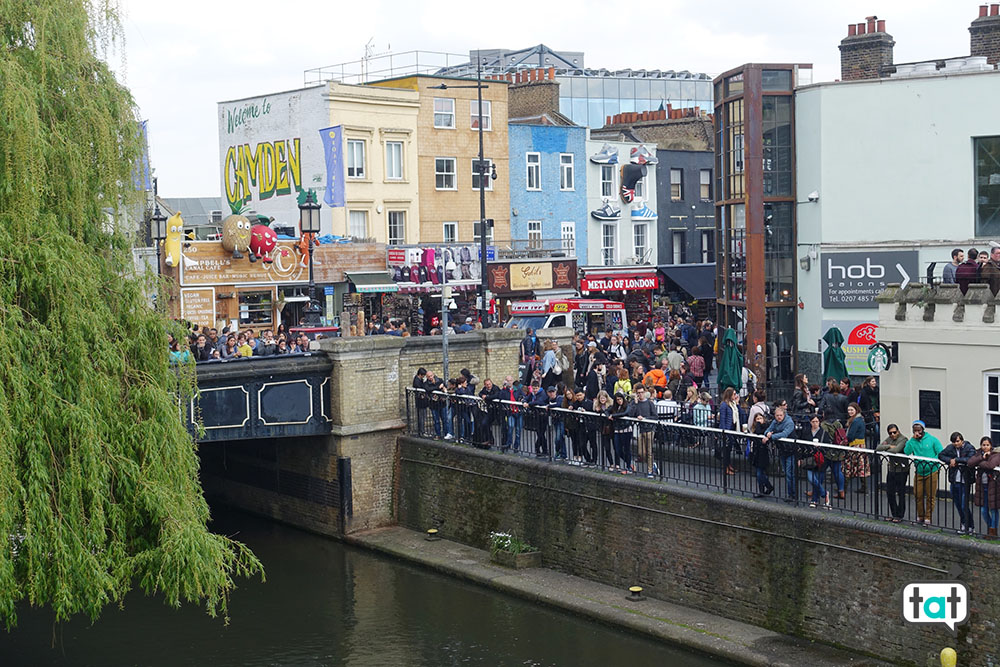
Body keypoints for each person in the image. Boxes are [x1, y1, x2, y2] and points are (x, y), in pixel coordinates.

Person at [904, 420, 944, 526]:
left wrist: (932, 463)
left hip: (932, 471)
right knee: (918, 494)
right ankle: (920, 516)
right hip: (919, 471)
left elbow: (940, 453)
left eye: (919, 430)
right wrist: (912, 440)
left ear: (923, 430)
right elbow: (906, 451)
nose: (917, 432)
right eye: (915, 430)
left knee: (930, 496)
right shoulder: (913, 441)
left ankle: (928, 517)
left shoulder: (932, 440)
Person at [939, 431, 976, 534]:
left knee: (964, 505)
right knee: (958, 504)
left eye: (957, 441)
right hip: (955, 480)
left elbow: (970, 459)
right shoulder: (950, 448)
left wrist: (957, 460)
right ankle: (964, 524)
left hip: (965, 481)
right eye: (954, 442)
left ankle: (970, 526)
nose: (956, 444)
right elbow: (941, 455)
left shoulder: (969, 447)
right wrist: (950, 460)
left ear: (962, 440)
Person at [762, 406, 797, 502]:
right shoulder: (775, 422)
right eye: (777, 415)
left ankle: (793, 494)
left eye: (780, 415)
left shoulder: (789, 422)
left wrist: (770, 436)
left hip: (791, 450)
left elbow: (784, 434)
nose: (779, 417)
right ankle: (791, 493)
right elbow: (767, 430)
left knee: (790, 473)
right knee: (786, 472)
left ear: (784, 415)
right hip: (782, 450)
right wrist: (767, 434)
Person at [876, 424, 909, 523]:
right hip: (892, 469)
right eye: (890, 433)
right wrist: (889, 446)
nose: (893, 434)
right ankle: (894, 513)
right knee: (890, 492)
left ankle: (900, 515)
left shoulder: (903, 439)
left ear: (898, 431)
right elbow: (878, 447)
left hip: (902, 470)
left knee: (901, 492)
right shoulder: (889, 440)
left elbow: (896, 450)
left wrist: (887, 449)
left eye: (894, 432)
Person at [969, 437, 1000, 538]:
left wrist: (980, 463)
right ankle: (992, 529)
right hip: (982, 486)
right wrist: (982, 458)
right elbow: (970, 462)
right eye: (983, 445)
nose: (985, 447)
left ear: (991, 446)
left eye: (987, 445)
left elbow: (990, 465)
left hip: (993, 485)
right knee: (983, 510)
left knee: (993, 509)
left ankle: (992, 532)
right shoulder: (978, 453)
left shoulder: (996, 454)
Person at [626, 385, 658, 478]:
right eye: (638, 393)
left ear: (645, 392)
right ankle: (652, 464)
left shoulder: (650, 403)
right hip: (640, 429)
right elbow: (631, 415)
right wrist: (635, 404)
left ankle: (650, 471)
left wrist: (644, 418)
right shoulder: (634, 403)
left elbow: (655, 416)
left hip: (649, 429)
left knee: (649, 451)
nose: (640, 394)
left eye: (642, 392)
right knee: (641, 453)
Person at [801, 415, 832, 508]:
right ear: (810, 422)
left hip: (820, 459)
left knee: (818, 480)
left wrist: (820, 447)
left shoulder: (824, 433)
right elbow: (802, 445)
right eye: (813, 421)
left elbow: (827, 446)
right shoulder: (806, 432)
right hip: (810, 459)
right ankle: (824, 494)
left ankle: (815, 499)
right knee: (812, 478)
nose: (815, 423)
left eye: (817, 421)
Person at [842, 403, 870, 493]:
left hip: (854, 446)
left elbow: (850, 435)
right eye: (849, 410)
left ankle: (843, 488)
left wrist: (845, 442)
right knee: (861, 466)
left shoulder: (855, 421)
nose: (850, 412)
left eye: (851, 410)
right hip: (861, 445)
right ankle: (864, 487)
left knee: (848, 466)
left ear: (856, 410)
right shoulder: (860, 419)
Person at [749, 412, 773, 497]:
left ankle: (768, 486)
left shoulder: (765, 427)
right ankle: (762, 490)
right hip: (756, 452)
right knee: (759, 472)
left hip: (763, 452)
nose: (759, 420)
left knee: (760, 473)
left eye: (760, 418)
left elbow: (759, 432)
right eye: (757, 419)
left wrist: (758, 424)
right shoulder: (754, 428)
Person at [716, 387, 739, 476]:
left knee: (729, 449)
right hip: (727, 430)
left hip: (732, 429)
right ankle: (726, 467)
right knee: (726, 450)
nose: (735, 395)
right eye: (734, 394)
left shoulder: (732, 404)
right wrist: (724, 431)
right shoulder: (724, 405)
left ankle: (729, 465)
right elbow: (722, 419)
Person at [611, 392, 634, 473]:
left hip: (626, 429)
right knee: (618, 449)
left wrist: (613, 416)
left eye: (620, 399)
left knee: (627, 449)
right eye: (617, 400)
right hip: (617, 430)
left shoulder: (628, 405)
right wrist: (608, 415)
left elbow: (625, 413)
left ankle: (629, 466)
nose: (619, 401)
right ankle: (629, 462)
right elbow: (607, 411)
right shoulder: (614, 407)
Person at [412, 368, 429, 435]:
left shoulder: (419, 380)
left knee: (422, 416)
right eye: (423, 375)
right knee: (421, 417)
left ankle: (421, 431)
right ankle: (421, 431)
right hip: (420, 402)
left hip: (422, 402)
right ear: (420, 375)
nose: (423, 377)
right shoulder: (417, 381)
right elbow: (420, 390)